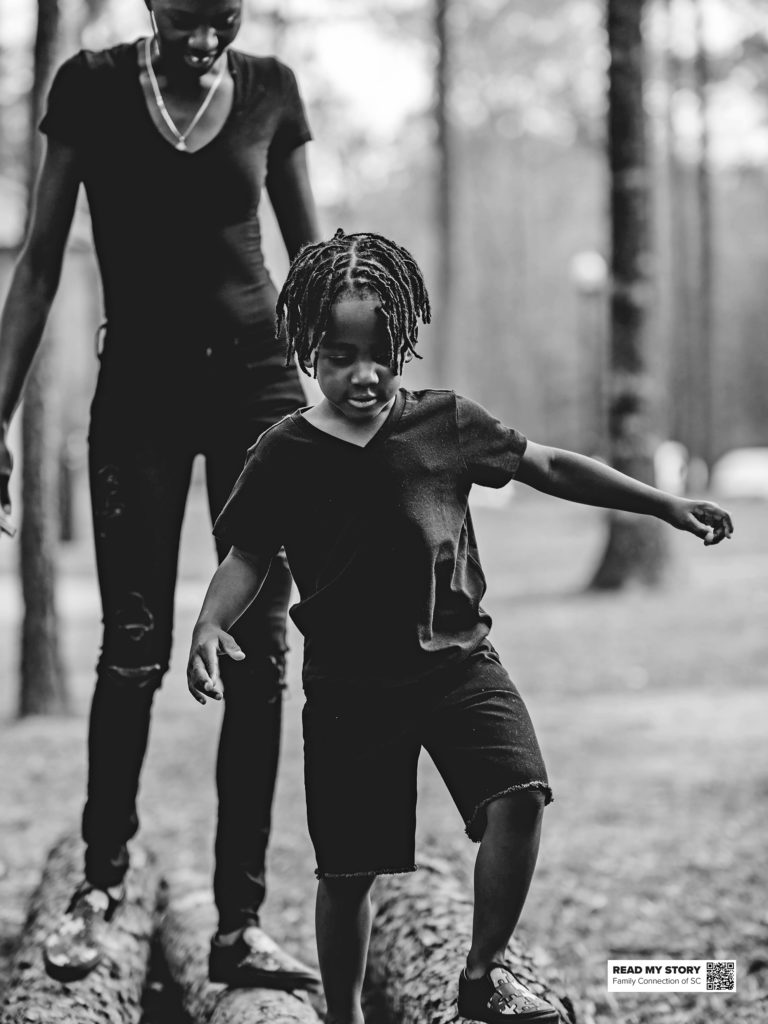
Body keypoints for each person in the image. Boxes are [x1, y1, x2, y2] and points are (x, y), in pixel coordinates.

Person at [186, 229, 734, 1024]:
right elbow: (246, 555)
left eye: (380, 354)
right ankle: (345, 1016)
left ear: (404, 342)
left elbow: (548, 465)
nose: (363, 375)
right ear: (308, 350)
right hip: (349, 690)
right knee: (347, 873)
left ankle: (483, 975)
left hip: (457, 663)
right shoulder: (284, 452)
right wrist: (208, 624)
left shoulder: (444, 424)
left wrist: (662, 502)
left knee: (520, 793)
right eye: (340, 357)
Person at [0, 0, 321, 989]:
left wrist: (358, 397)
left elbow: (311, 261)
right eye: (187, 17)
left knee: (261, 653)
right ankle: (98, 887)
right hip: (138, 391)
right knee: (132, 643)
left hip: (261, 391)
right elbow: (42, 258)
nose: (206, 37)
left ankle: (241, 921)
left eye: (223, 16)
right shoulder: (91, 88)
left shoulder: (270, 88)